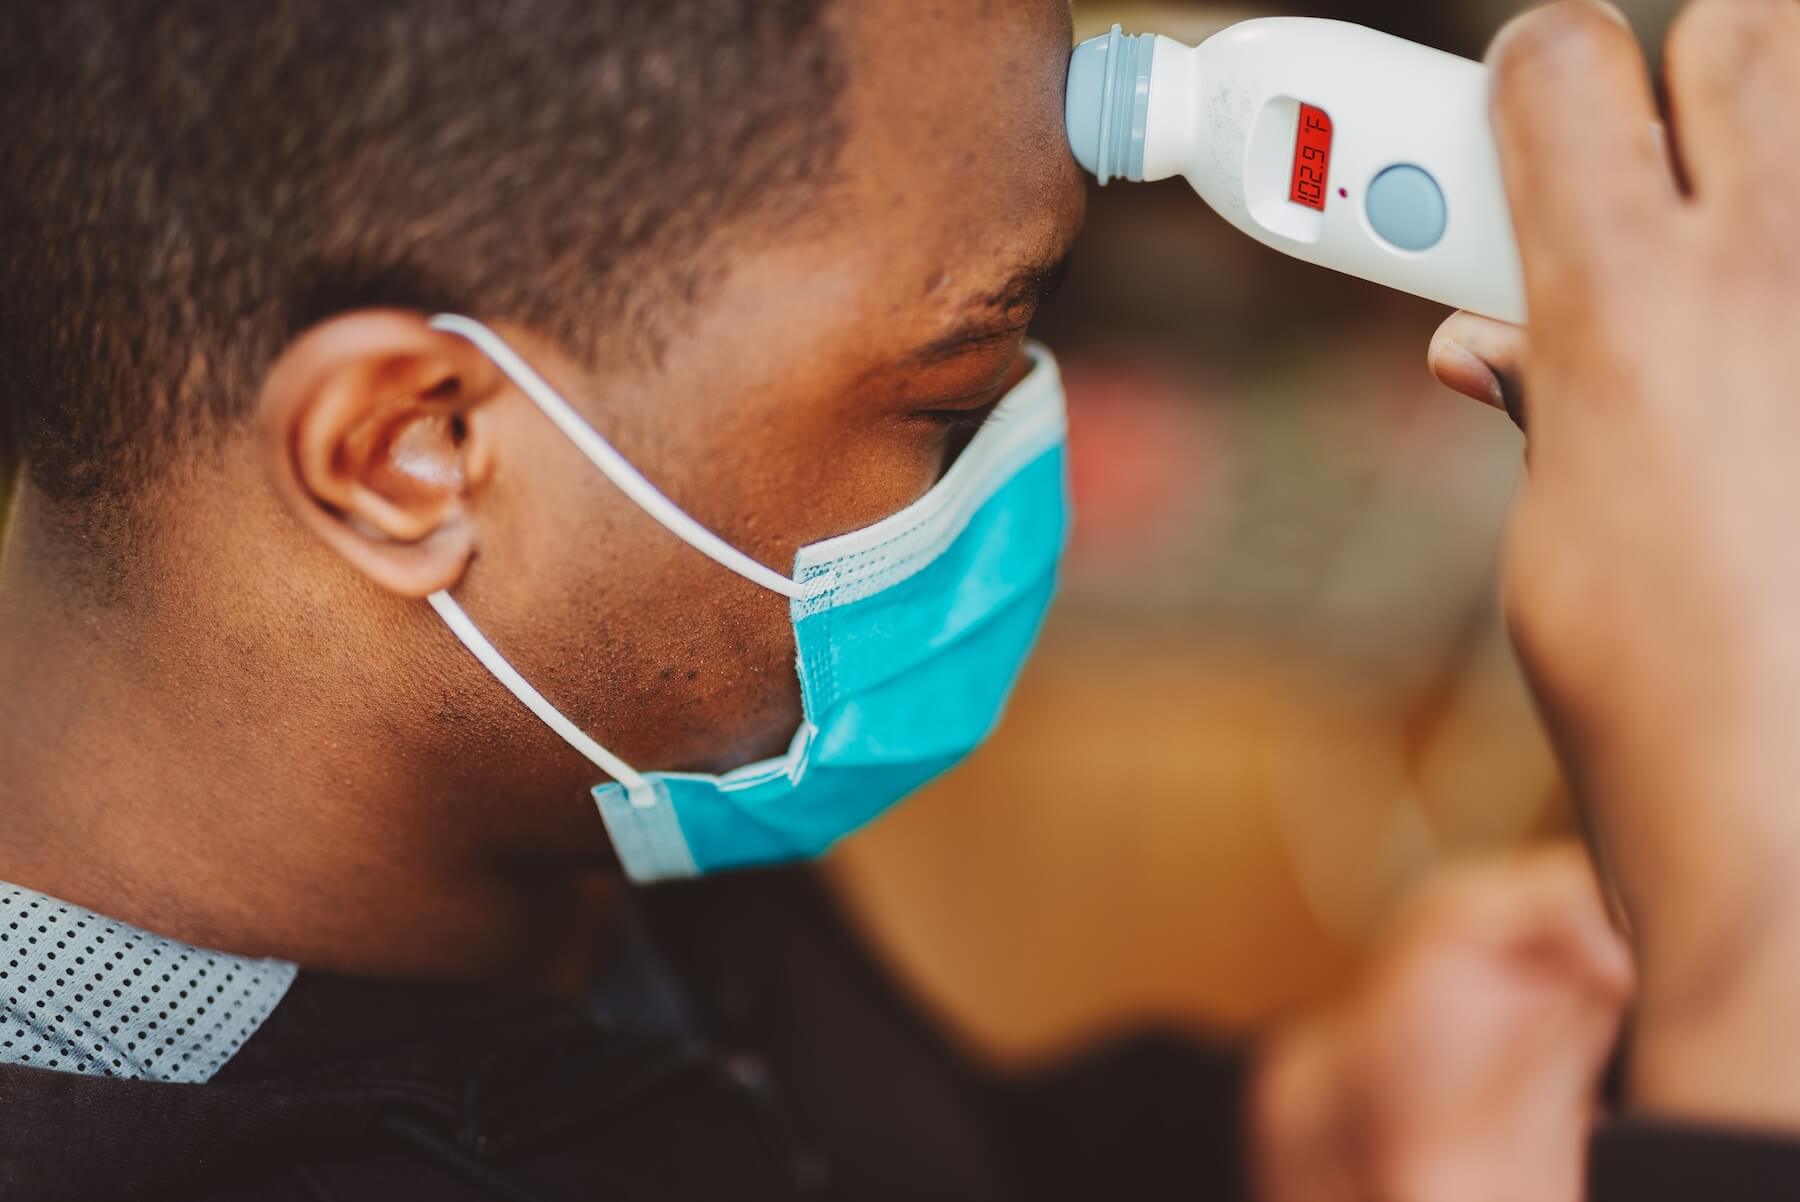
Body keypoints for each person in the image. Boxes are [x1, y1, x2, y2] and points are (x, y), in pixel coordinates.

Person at [0, 0, 1777, 1199]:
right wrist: (1751, 964)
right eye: (947, 395)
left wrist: (1284, 1130)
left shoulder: (581, 780)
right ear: (411, 451)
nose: (1017, 452)